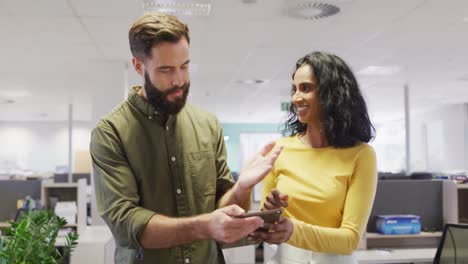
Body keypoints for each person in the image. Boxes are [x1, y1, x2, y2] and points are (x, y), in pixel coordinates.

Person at [90, 12, 282, 264]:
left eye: (185, 66)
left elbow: (222, 206)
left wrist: (241, 187)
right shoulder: (110, 133)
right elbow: (127, 223)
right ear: (139, 66)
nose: (179, 79)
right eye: (166, 69)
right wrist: (204, 227)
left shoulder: (207, 125)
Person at [251, 51, 377, 264]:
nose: (295, 98)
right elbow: (267, 227)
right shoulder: (279, 150)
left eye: (306, 88)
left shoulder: (361, 155)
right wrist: (270, 214)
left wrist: (293, 231)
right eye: (295, 89)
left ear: (332, 94)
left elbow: (350, 239)